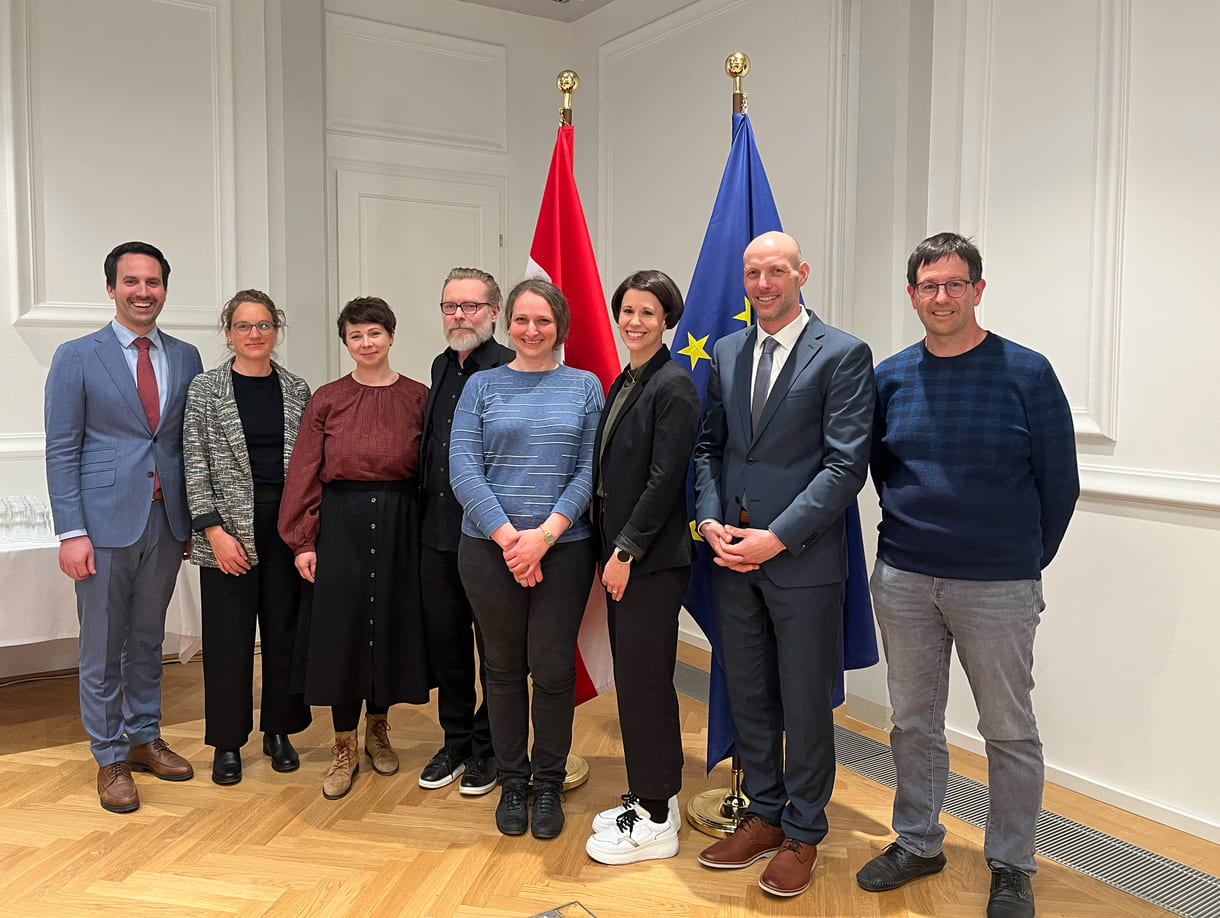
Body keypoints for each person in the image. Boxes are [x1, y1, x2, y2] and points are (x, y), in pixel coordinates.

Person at [857, 233, 1078, 918]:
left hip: (999, 586)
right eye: (929, 286)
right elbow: (879, 468)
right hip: (904, 578)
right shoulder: (890, 376)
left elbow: (1059, 484)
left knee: (1009, 729)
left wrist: (1020, 561)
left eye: (955, 284)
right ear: (912, 294)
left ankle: (1011, 864)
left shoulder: (1027, 372)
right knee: (913, 721)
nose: (942, 297)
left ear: (979, 290)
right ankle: (919, 842)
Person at [692, 231, 874, 898]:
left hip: (801, 561)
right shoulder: (729, 348)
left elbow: (844, 466)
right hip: (730, 557)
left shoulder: (844, 354)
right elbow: (711, 446)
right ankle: (763, 814)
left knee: (803, 701)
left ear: (801, 273)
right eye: (752, 272)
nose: (762, 283)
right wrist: (710, 519)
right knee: (750, 694)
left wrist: (778, 536)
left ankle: (804, 832)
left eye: (775, 271)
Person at [44, 241, 204, 813]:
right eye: (132, 281)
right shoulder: (76, 356)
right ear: (111, 288)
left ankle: (143, 736)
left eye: (154, 282)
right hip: (102, 524)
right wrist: (71, 531)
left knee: (147, 639)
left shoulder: (186, 357)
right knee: (102, 644)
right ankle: (109, 755)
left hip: (166, 521)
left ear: (165, 288)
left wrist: (193, 520)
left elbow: (185, 442)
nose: (144, 292)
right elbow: (62, 448)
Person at [450, 278, 602, 841]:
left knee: (554, 669)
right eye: (521, 319)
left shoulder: (586, 387)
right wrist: (511, 537)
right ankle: (513, 782)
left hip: (563, 551)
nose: (531, 330)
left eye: (543, 320)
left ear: (560, 325)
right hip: (489, 550)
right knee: (504, 670)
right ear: (505, 322)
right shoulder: (481, 386)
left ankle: (547, 783)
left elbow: (590, 470)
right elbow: (462, 467)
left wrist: (545, 534)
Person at [278, 296, 430, 800]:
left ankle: (378, 731)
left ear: (391, 336)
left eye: (374, 334)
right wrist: (302, 538)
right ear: (345, 343)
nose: (366, 344)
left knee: (386, 624)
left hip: (400, 521)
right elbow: (304, 468)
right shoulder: (326, 398)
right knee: (342, 630)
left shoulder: (417, 397)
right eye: (356, 336)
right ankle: (343, 744)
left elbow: (432, 471)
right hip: (339, 523)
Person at [584, 270, 700, 866]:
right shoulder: (628, 379)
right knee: (637, 682)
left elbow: (664, 483)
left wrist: (625, 551)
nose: (634, 321)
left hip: (649, 562)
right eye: (627, 310)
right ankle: (655, 795)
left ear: (667, 320)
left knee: (646, 684)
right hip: (627, 556)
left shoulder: (673, 385)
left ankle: (656, 819)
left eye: (648, 313)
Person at [182, 290, 312, 786]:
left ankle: (279, 730)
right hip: (227, 532)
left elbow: (308, 465)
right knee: (228, 640)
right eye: (243, 326)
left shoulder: (297, 389)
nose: (254, 335)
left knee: (283, 634)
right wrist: (212, 530)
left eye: (263, 325)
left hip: (285, 528)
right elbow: (193, 465)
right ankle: (227, 742)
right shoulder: (205, 390)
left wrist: (304, 533)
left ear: (275, 330)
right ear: (228, 331)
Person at [417, 267, 514, 796]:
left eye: (471, 307)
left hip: (487, 535)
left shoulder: (508, 367)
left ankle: (491, 746)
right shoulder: (440, 366)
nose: (459, 316)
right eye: (450, 306)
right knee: (447, 645)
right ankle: (455, 740)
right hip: (435, 533)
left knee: (494, 649)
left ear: (494, 313)